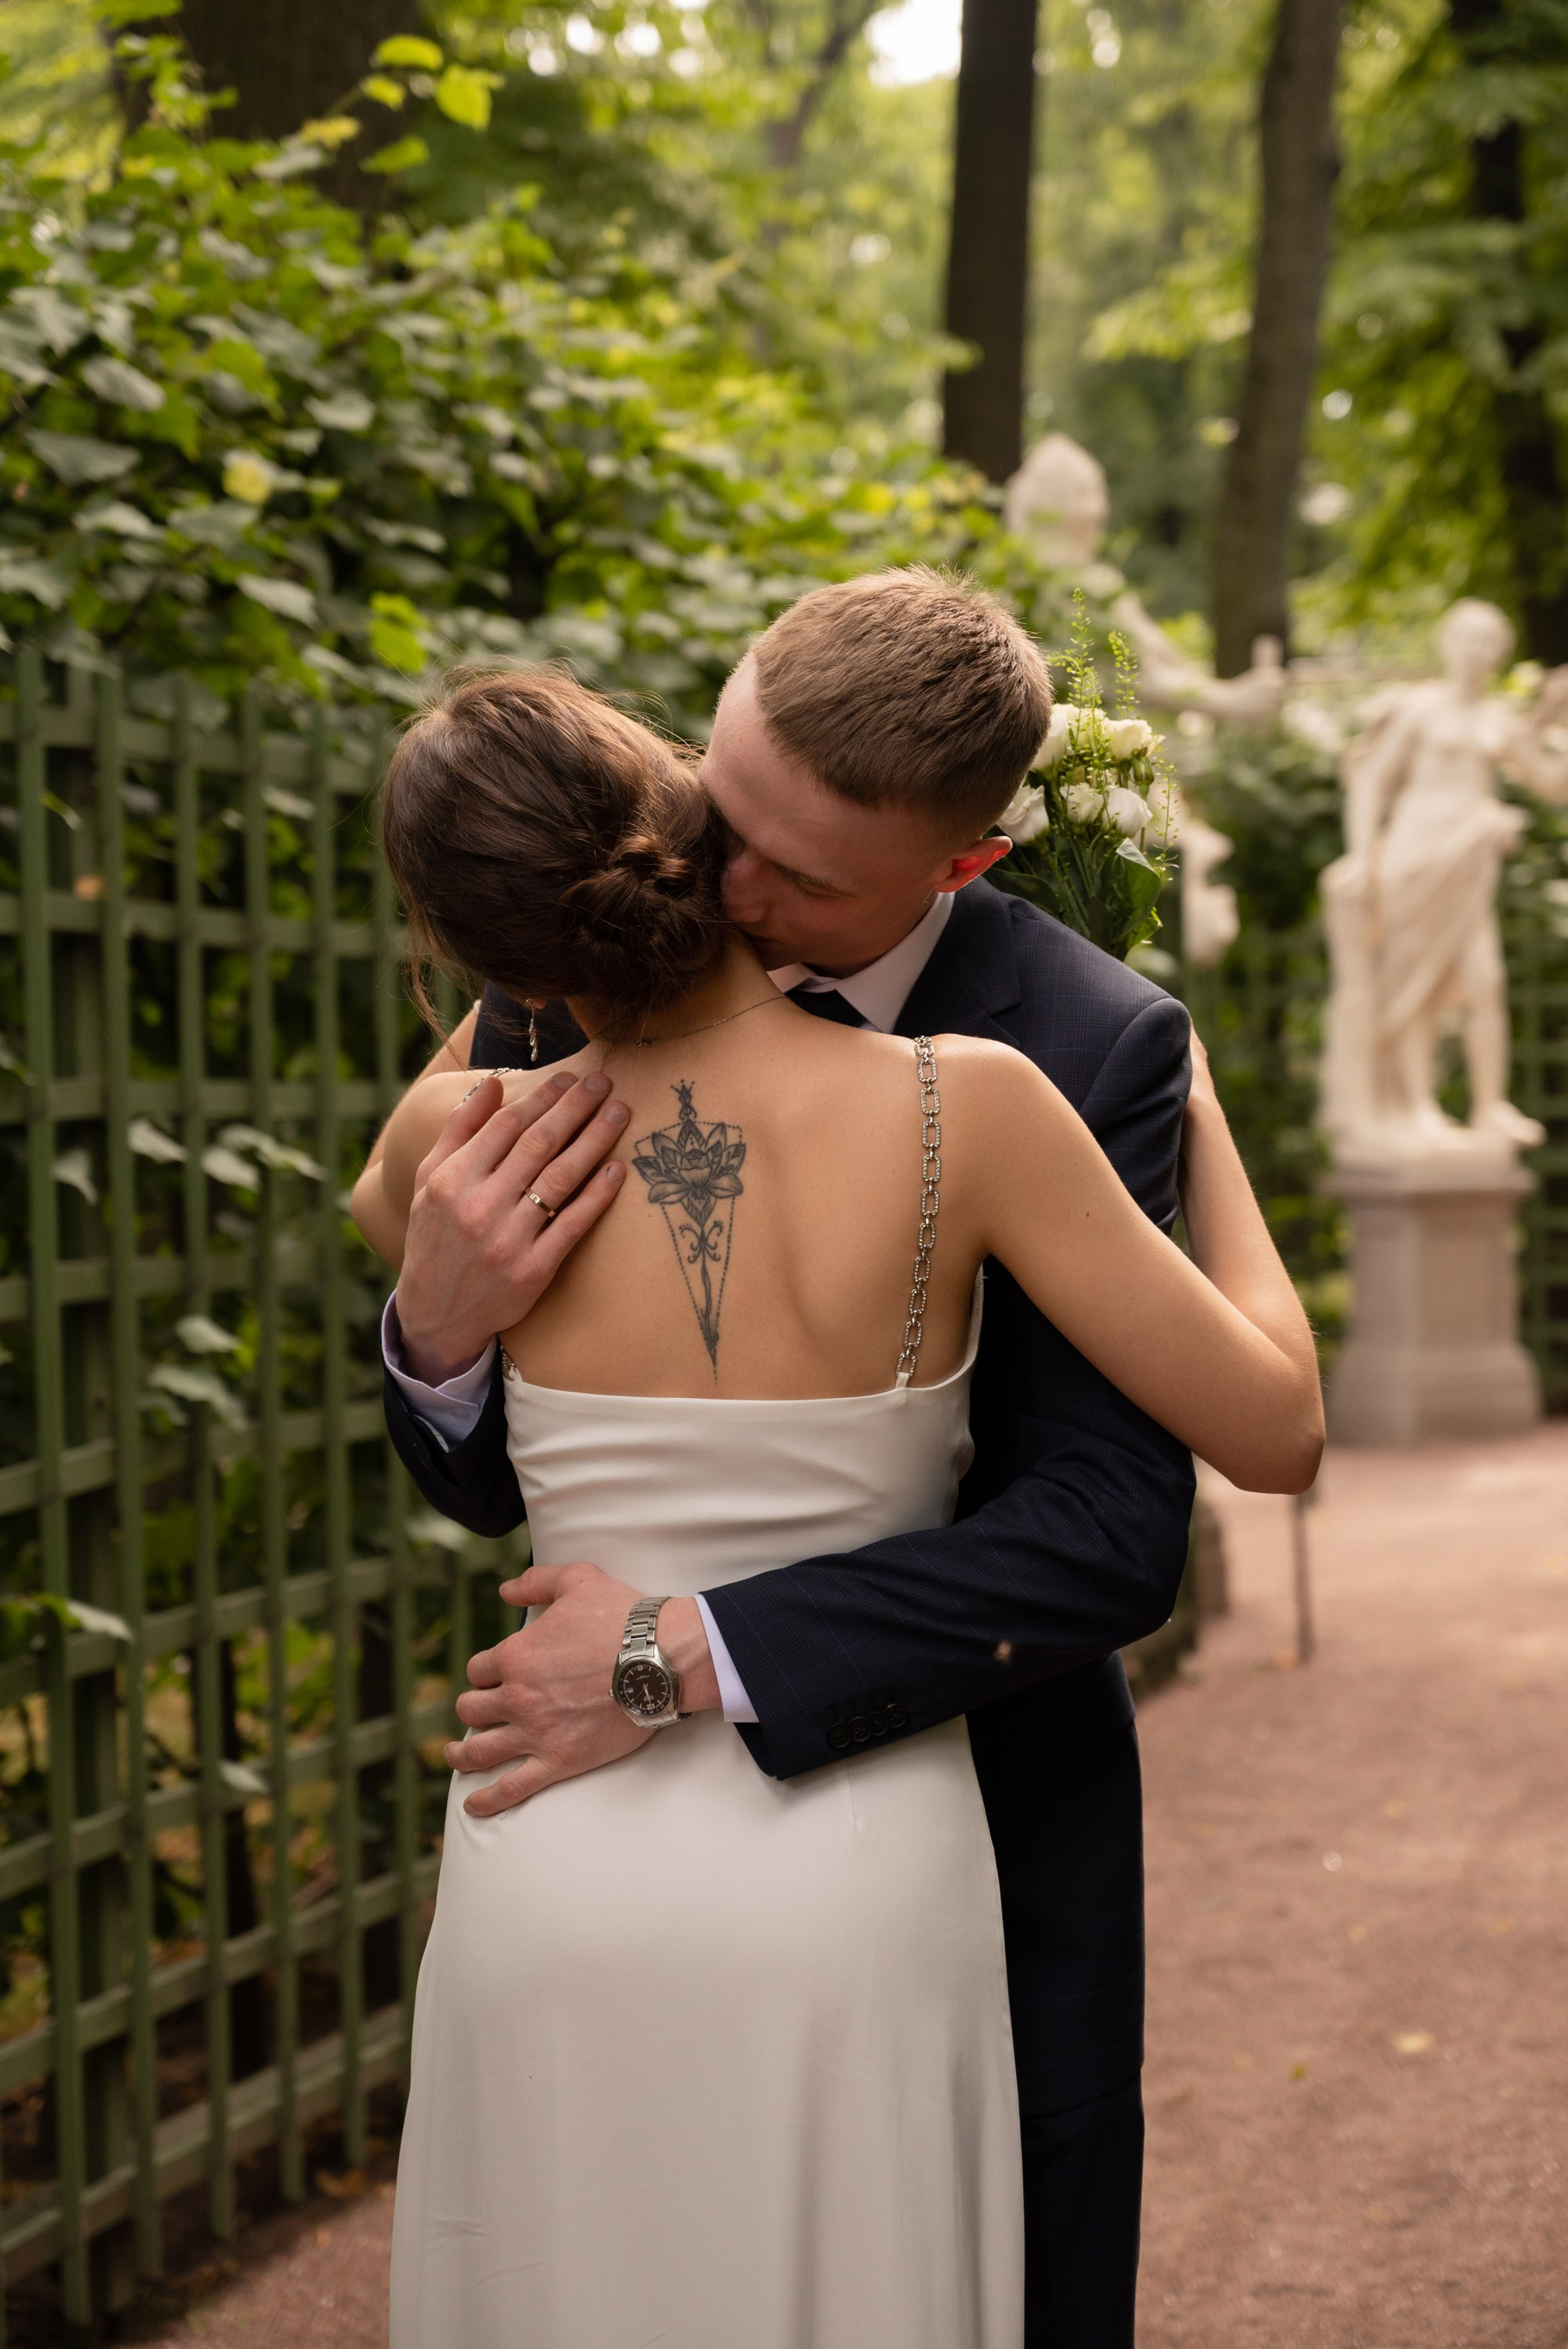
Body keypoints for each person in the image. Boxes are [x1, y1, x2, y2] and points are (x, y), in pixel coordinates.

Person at [358, 635, 1323, 2347]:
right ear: (676, 769)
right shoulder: (974, 1111)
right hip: (847, 1863)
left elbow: (1111, 1533)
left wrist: (677, 1648)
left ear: (966, 862)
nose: (721, 881)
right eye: (711, 816)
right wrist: (430, 1321)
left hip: (741, 1821)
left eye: (792, 869)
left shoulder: (1086, 1041)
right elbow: (1281, 1421)